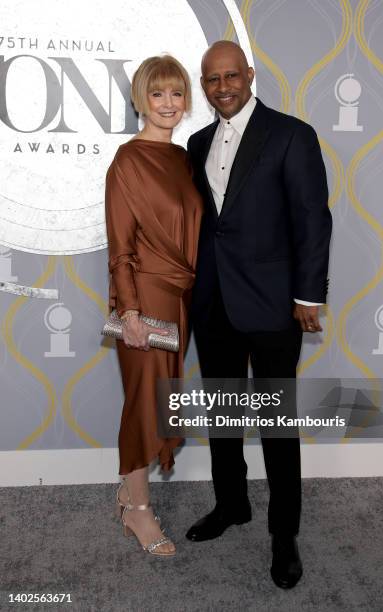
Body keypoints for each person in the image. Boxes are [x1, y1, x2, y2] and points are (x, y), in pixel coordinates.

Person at [185, 41, 332, 588]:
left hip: (273, 303)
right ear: (204, 84)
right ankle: (231, 505)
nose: (222, 87)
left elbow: (312, 220)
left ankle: (283, 533)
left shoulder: (291, 134)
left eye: (231, 76)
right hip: (213, 301)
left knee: (275, 423)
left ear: (249, 74)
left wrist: (307, 296)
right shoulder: (196, 143)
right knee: (224, 416)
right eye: (211, 79)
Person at [105, 55, 203, 557]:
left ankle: (129, 491)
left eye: (177, 93)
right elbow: (120, 246)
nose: (168, 104)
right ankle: (138, 510)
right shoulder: (127, 160)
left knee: (159, 399)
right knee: (143, 402)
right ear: (142, 99)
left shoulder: (184, 159)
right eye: (158, 94)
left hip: (181, 298)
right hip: (144, 299)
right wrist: (130, 313)